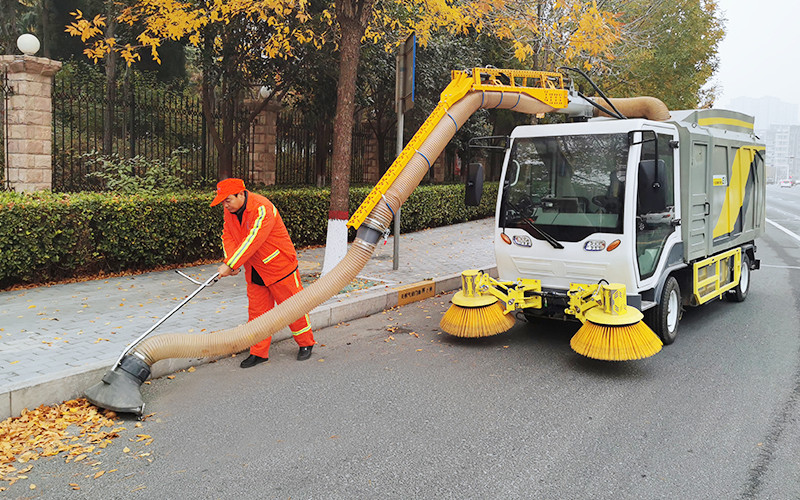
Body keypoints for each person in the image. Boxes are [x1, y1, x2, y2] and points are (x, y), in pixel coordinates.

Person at [210, 178, 315, 368]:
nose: (225, 205)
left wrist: (232, 263)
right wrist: (230, 263)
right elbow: (228, 236)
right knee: (257, 313)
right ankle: (258, 353)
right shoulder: (230, 212)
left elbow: (253, 240)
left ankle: (306, 343)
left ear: (241, 194)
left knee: (293, 307)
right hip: (255, 269)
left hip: (279, 266)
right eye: (223, 202)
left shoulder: (262, 208)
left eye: (227, 200)